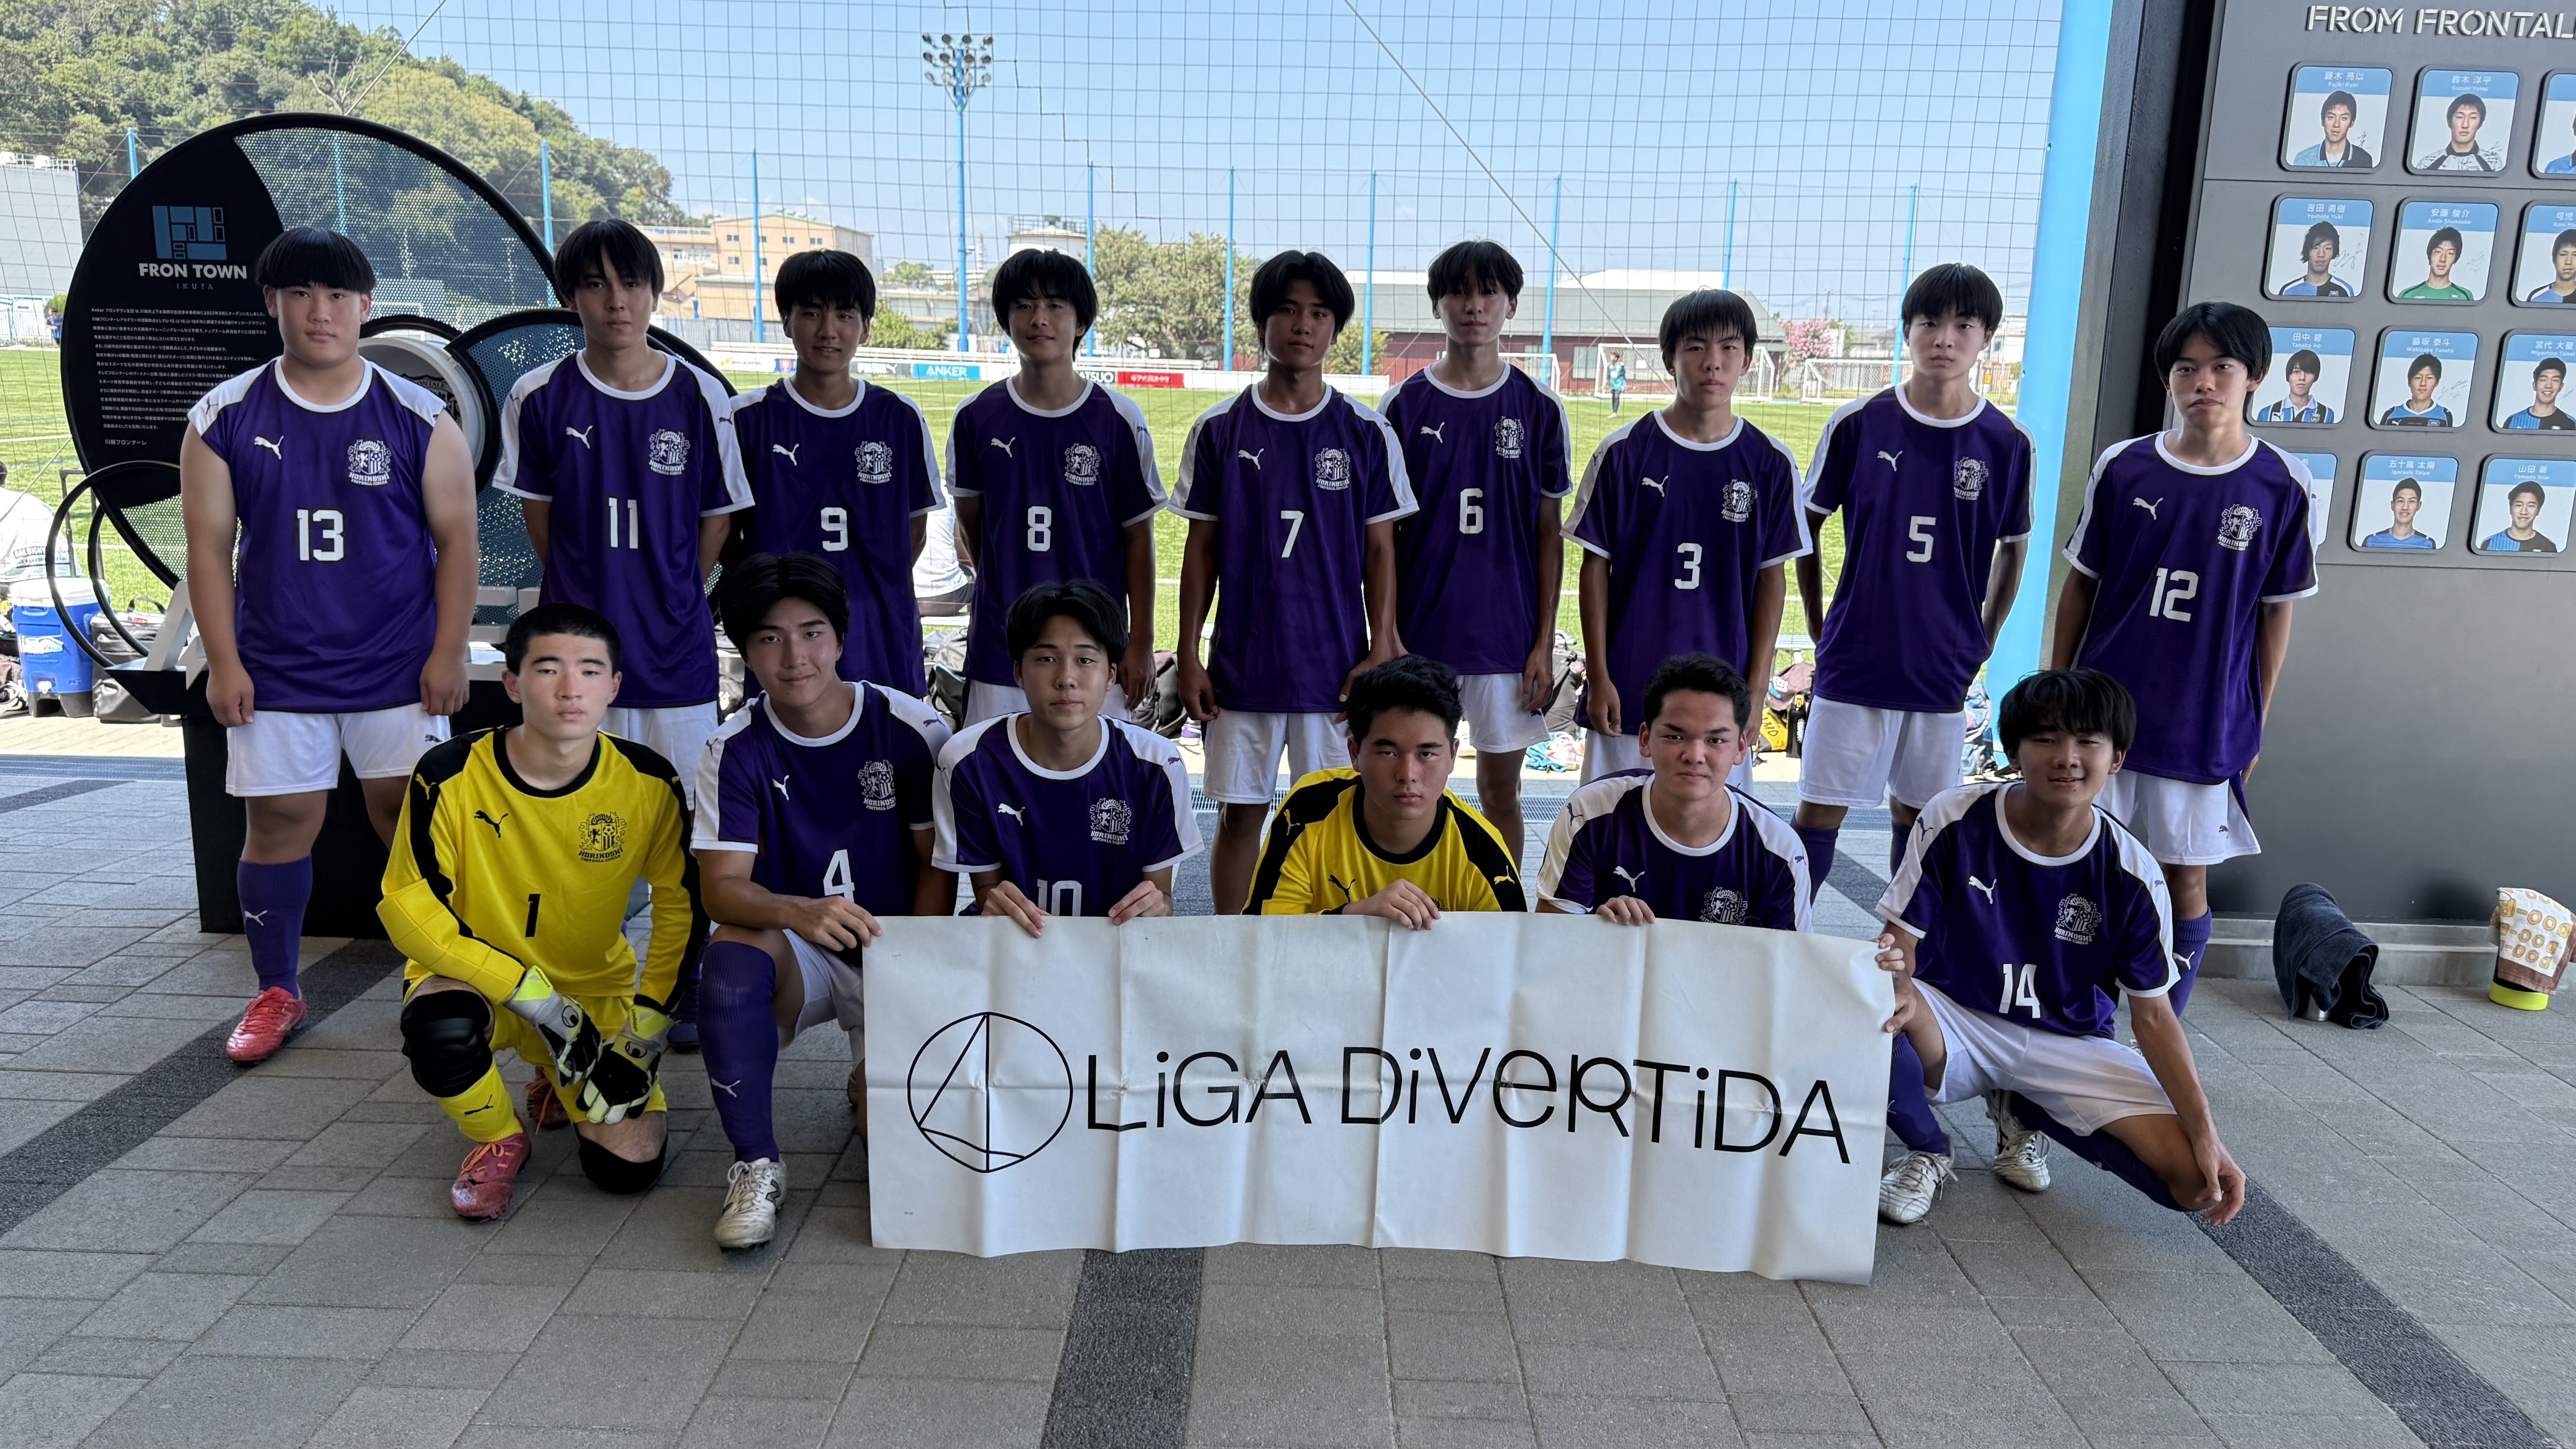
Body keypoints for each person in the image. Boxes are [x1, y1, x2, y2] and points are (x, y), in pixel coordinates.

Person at [178, 226, 479, 1065]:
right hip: (277, 667)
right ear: (271, 302)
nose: (321, 311)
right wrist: (225, 660)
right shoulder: (223, 416)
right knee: (280, 820)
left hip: (398, 664)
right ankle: (277, 988)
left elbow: (458, 541)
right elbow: (208, 548)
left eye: (339, 294)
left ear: (366, 305)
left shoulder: (420, 417)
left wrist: (449, 651)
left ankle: (443, 972)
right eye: (302, 293)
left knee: (412, 819)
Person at [1873, 668, 2247, 1228]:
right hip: (1954, 1018)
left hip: (2067, 1039)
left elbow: (2153, 1016)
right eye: (2045, 738)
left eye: (2088, 741)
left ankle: (2030, 1106)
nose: (2066, 758)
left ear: (2117, 759)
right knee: (1868, 998)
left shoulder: (2133, 871)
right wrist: (1894, 982)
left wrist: (2206, 1133)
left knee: (2198, 1184)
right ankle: (1929, 1150)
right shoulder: (1955, 816)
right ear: (2015, 751)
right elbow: (1898, 940)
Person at [383, 604, 703, 1220]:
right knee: (442, 1030)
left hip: (589, 997)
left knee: (626, 1170)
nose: (569, 688)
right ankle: (499, 1136)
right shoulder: (447, 774)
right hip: (482, 985)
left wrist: (645, 1036)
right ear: (512, 683)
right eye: (548, 669)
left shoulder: (649, 781)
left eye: (590, 670)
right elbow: (408, 909)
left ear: (614, 686)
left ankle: (554, 1074)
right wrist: (533, 997)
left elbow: (681, 910)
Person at [2052, 300, 2317, 1020]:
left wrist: (2254, 722)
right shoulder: (2125, 465)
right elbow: (2082, 584)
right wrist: (2061, 690)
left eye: (2221, 367)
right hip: (2105, 710)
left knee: (2185, 879)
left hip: (2202, 718)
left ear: (2254, 376)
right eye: (2187, 368)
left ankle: (2160, 1030)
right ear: (2168, 378)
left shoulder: (2283, 482)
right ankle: (2073, 1017)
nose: (2203, 382)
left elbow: (2276, 613)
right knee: (2083, 867)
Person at [691, 552, 953, 1247]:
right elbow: (720, 888)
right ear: (746, 651)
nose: (794, 656)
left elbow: (937, 865)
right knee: (728, 963)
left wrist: (917, 963)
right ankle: (756, 1165)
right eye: (769, 638)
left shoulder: (912, 728)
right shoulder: (732, 747)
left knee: (901, 1156)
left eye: (811, 633)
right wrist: (797, 911)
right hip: (800, 951)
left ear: (839, 637)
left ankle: (872, 1077)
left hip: (896, 947)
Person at [1173, 250, 1417, 914]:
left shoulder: (1367, 432)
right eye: (1286, 310)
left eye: (1318, 313)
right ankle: (1235, 945)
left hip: (1335, 674)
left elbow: (1381, 552)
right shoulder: (1219, 429)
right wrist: (1189, 654)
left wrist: (1383, 644)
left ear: (1335, 327)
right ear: (1262, 323)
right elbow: (1201, 552)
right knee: (1240, 818)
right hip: (1243, 668)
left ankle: (1328, 940)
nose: (1302, 325)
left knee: (1335, 820)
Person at [1792, 262, 2031, 891]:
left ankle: (1904, 945)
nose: (1944, 339)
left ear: (1987, 338)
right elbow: (1804, 527)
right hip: (1857, 654)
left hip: (1943, 662)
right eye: (1929, 323)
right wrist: (1819, 622)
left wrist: (1985, 637)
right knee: (1819, 811)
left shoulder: (2007, 442)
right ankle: (1789, 935)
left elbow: (2014, 547)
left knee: (1921, 820)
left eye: (1964, 326)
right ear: (1908, 331)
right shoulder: (1858, 422)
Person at [493, 219, 751, 796]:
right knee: (575, 815)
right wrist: (591, 580)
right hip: (574, 654)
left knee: (680, 814)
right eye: (596, 284)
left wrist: (676, 588)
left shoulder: (701, 394)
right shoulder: (537, 396)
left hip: (675, 654)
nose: (617, 301)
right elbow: (543, 527)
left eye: (632, 283)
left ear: (654, 292)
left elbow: (718, 519)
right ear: (569, 297)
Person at [1380, 240, 1573, 859]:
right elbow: (1382, 538)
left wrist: (1542, 642)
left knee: (1501, 794)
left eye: (1489, 292)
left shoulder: (1539, 408)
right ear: (1436, 304)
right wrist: (1386, 635)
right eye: (1458, 292)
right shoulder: (1402, 406)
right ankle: (1409, 895)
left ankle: (1501, 907)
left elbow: (1549, 534)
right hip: (1420, 637)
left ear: (1511, 305)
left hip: (1505, 641)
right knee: (1409, 790)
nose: (1474, 305)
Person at [1571, 290, 1808, 789]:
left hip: (1723, 698)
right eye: (1696, 347)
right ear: (1669, 359)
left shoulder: (1770, 462)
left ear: (1748, 360)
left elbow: (1773, 580)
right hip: (1630, 686)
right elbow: (1595, 570)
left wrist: (1757, 690)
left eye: (1729, 348)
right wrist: (1600, 675)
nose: (1713, 362)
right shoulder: (1623, 453)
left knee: (1715, 825)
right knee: (1613, 819)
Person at [946, 248, 1162, 724]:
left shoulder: (1119, 419)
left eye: (1055, 306)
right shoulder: (975, 417)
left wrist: (1141, 642)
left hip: (1094, 648)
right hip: (1002, 646)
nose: (1039, 319)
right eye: (1024, 306)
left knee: (1098, 770)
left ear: (1081, 322)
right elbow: (974, 529)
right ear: (1006, 319)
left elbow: (1138, 539)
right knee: (997, 767)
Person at [729, 252, 943, 694]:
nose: (828, 330)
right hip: (784, 640)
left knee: (887, 736)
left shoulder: (900, 419)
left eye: (845, 315)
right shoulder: (745, 420)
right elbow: (723, 535)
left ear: (865, 327)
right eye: (811, 313)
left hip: (880, 633)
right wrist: (768, 592)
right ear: (786, 321)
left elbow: (914, 533)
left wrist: (869, 587)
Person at [935, 580, 1199, 932]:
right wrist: (992, 901)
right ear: (1018, 672)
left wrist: (1158, 906)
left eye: (1085, 660)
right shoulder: (969, 761)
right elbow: (988, 891)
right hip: (1015, 943)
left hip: (1115, 946)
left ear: (1111, 676)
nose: (1066, 679)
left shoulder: (1156, 765)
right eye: (1047, 659)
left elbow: (1160, 897)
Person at [1245, 654, 1526, 921]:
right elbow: (1263, 935)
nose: (1408, 775)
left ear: (1452, 755)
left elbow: (1511, 951)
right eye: (1388, 753)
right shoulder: (1308, 810)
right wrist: (1356, 917)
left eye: (1426, 754)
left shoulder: (1482, 851)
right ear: (1355, 753)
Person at [1537, 653, 1809, 928]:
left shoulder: (1779, 849)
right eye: (1675, 736)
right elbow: (1552, 938)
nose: (1695, 756)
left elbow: (1790, 954)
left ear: (1741, 749)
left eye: (1716, 740)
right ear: (1645, 740)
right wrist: (1598, 928)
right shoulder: (1589, 815)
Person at [2418, 91, 2502, 171]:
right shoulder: (2428, 164)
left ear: (2480, 123)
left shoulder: (2493, 164)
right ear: (2449, 121)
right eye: (2460, 117)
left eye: (2473, 118)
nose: (2465, 125)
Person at [2291, 89, 2374, 167]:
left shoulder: (2364, 160)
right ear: (2323, 121)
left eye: (2344, 118)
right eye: (2331, 117)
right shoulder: (2303, 159)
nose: (2336, 125)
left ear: (2352, 123)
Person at [2251, 350, 2335, 423]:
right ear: (2288, 376)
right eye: (2296, 372)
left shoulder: (2326, 414)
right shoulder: (2267, 414)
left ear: (2316, 377)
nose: (2302, 378)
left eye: (2308, 372)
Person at [2482, 479, 2562, 552]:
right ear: (2510, 508)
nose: (2524, 512)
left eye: (2531, 506)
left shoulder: (2548, 547)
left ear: (2538, 510)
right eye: (2519, 505)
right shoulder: (2490, 543)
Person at [2397, 226, 2474, 300]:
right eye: (2438, 252)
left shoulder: (2464, 296)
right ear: (2430, 255)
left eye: (2450, 253)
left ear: (2456, 259)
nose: (2443, 259)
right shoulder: (2407, 295)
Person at [2379, 352, 2456, 426]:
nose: (2423, 383)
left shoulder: (2444, 415)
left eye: (2429, 378)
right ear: (2409, 382)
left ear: (2437, 382)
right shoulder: (2391, 414)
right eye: (2418, 378)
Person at [2277, 222, 2351, 298]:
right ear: (2307, 251)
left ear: (2334, 252)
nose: (2321, 254)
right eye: (2315, 248)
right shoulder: (2288, 291)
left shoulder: (2345, 290)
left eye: (2328, 248)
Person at [2360, 479, 2439, 549]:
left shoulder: (2427, 544)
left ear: (2419, 506)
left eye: (2412, 501)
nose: (2405, 507)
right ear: (2392, 505)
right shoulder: (2372, 542)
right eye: (2401, 501)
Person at [2506, 357, 2576, 429]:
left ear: (2561, 387)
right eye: (2543, 380)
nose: (2549, 385)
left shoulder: (2569, 423)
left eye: (2555, 380)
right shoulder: (2513, 420)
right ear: (2534, 385)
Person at [2525, 229, 2576, 303]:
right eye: (2563, 255)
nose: (2568, 262)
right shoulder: (2536, 297)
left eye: (2575, 255)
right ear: (2554, 258)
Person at [1605, 351, 1628, 415]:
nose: (1611, 358)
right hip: (1613, 385)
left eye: (1612, 356)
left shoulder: (1621, 366)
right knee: (1613, 398)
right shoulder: (1610, 366)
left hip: (1619, 384)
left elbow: (1623, 375)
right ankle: (1614, 411)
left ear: (1616, 358)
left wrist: (1624, 383)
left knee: (1616, 397)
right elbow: (1609, 376)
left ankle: (1615, 412)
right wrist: (1607, 384)